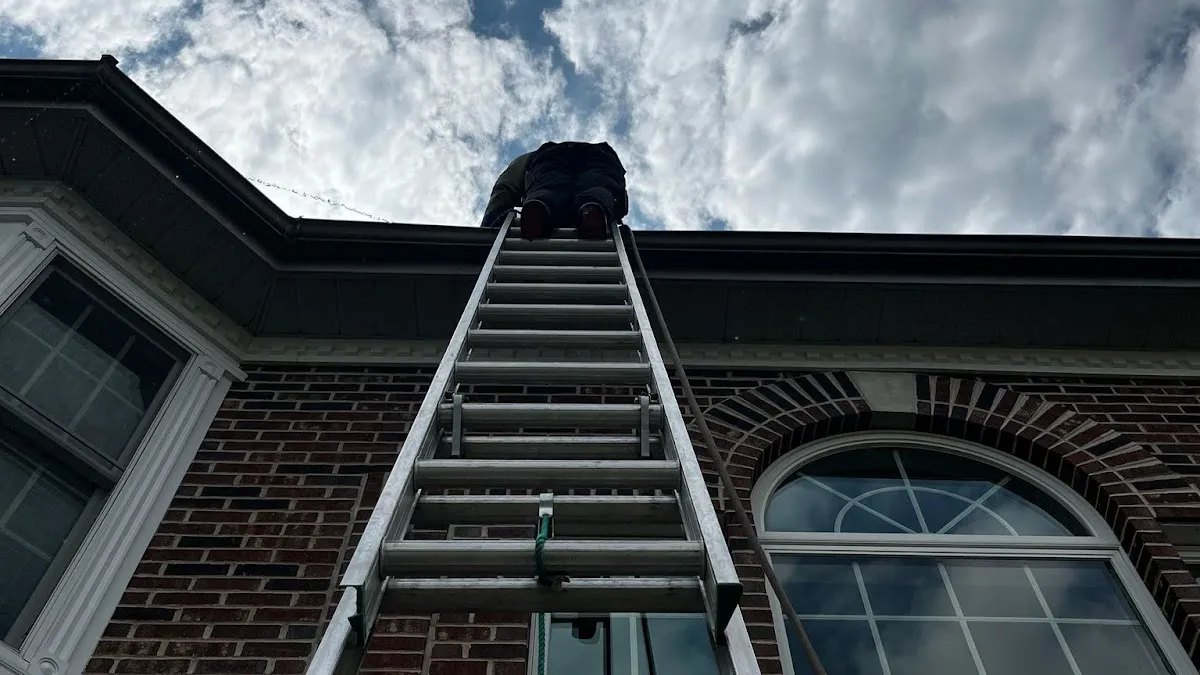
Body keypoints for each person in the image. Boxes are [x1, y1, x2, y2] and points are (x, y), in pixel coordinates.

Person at [481, 141, 629, 240]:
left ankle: (540, 207)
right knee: (598, 187)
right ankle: (592, 208)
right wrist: (615, 206)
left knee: (548, 187)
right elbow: (617, 189)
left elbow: (505, 186)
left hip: (549, 157)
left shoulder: (529, 158)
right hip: (601, 157)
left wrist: (490, 224)